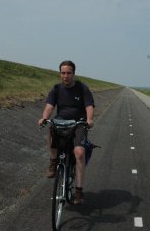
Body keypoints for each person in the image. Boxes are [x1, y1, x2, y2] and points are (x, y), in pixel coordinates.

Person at [38, 60, 95, 205]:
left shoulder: (82, 88)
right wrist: (44, 118)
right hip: (61, 123)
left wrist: (89, 119)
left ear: (73, 74)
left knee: (80, 153)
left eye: (69, 73)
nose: (65, 76)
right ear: (60, 74)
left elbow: (89, 105)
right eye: (63, 73)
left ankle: (78, 191)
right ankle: (53, 162)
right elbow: (49, 106)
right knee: (50, 129)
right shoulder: (56, 89)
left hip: (78, 124)